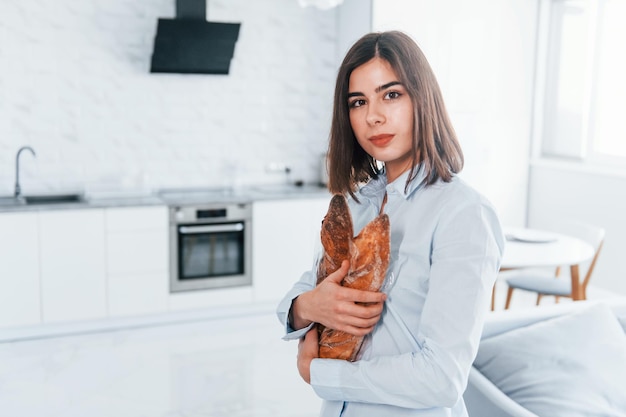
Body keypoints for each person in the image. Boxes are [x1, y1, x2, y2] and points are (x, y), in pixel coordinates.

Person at [276, 30, 504, 417]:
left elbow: (442, 378)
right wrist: (307, 306)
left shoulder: (463, 214)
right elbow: (306, 288)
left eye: (391, 95)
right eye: (358, 101)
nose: (373, 116)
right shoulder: (355, 202)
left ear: (422, 98)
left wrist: (319, 373)